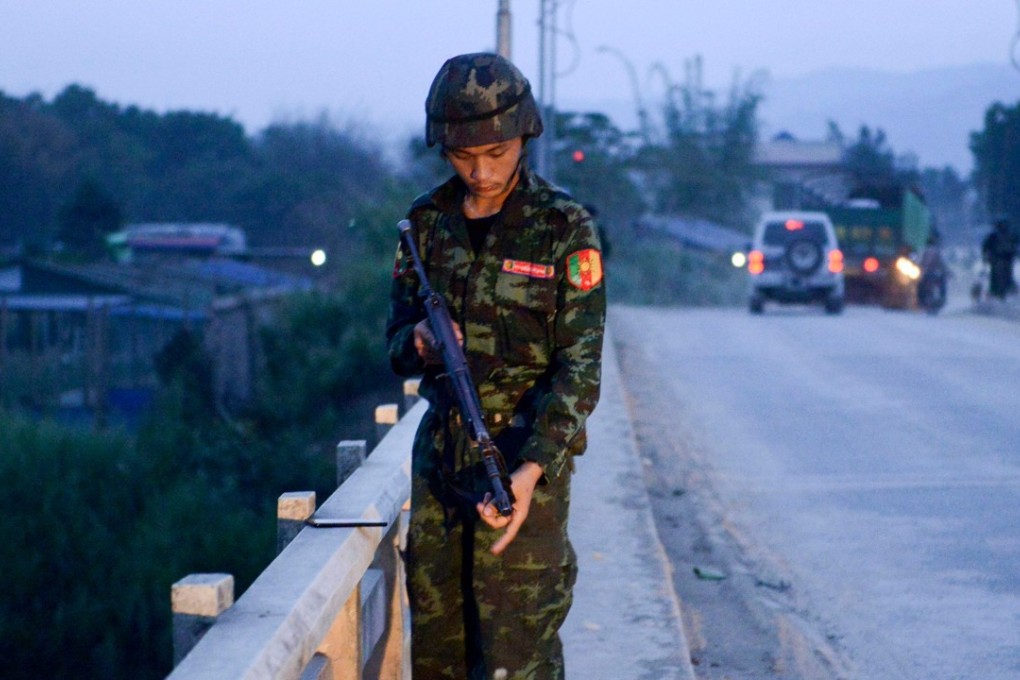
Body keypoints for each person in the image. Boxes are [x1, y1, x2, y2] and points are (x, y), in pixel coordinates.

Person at [386, 53, 606, 680]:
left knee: (516, 661)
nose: (482, 171)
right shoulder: (423, 226)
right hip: (441, 469)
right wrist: (423, 340)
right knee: (438, 656)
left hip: (523, 468)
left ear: (525, 135)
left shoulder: (564, 228)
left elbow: (580, 370)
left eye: (498, 152)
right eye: (463, 156)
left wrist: (533, 469)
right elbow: (395, 344)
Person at [981, 217, 1018, 299]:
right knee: (997, 275)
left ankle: (1003, 290)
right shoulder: (994, 236)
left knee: (1004, 275)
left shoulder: (1008, 236)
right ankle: (997, 292)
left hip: (1005, 259)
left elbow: (1015, 247)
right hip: (998, 259)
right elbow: (986, 247)